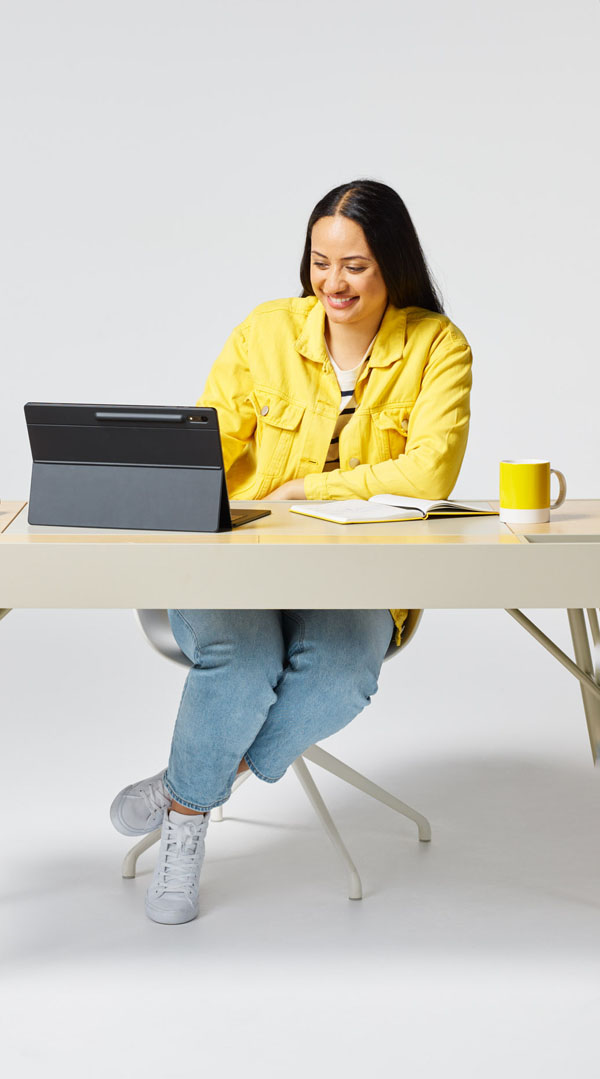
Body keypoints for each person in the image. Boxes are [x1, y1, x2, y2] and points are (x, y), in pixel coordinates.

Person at [110, 178, 472, 924]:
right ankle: (188, 827)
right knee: (241, 666)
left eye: (355, 266)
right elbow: (208, 446)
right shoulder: (265, 332)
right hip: (237, 561)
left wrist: (314, 485)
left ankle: (187, 785)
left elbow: (430, 470)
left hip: (355, 575)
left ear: (393, 266)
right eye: (320, 262)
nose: (333, 282)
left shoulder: (438, 347)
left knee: (343, 674)